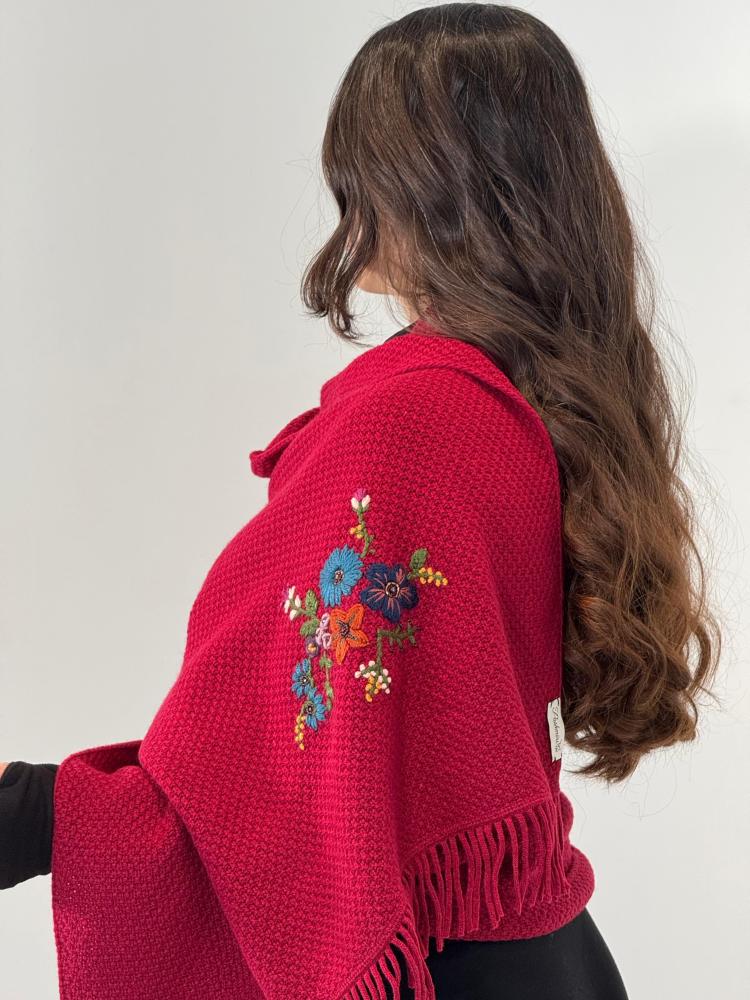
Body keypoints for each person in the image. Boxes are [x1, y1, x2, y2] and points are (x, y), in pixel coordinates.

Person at [1, 6, 721, 1000]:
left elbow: (277, 770)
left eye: (362, 170)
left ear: (435, 188)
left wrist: (39, 814)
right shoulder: (527, 399)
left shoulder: (413, 425)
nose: (346, 203)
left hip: (442, 966)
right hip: (539, 953)